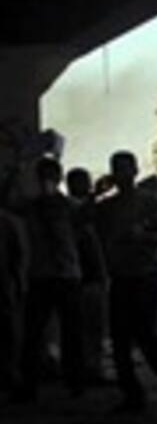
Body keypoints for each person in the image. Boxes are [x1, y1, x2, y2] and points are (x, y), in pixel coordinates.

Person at [96, 151, 157, 412]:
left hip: (145, 275)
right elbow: (79, 220)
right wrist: (95, 193)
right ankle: (133, 394)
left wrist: (141, 236)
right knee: (120, 339)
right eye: (116, 169)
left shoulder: (149, 201)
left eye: (124, 169)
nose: (121, 174)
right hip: (121, 276)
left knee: (145, 335)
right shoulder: (107, 206)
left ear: (134, 171)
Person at [14, 158, 85, 401]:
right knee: (36, 332)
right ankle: (34, 382)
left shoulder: (68, 207)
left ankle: (72, 380)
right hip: (47, 274)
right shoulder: (34, 207)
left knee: (68, 332)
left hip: (61, 274)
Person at [66, 167, 108, 385]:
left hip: (90, 276)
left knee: (93, 327)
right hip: (82, 276)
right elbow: (80, 218)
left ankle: (90, 368)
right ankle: (87, 369)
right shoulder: (69, 208)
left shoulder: (89, 210)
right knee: (86, 327)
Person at [0, 203, 28, 392]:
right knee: (8, 330)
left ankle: (9, 371)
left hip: (5, 282)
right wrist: (19, 282)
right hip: (5, 282)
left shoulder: (7, 221)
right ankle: (10, 372)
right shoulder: (9, 221)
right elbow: (18, 255)